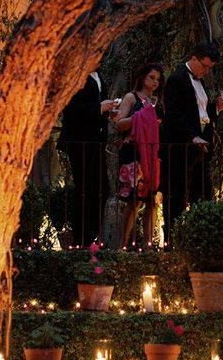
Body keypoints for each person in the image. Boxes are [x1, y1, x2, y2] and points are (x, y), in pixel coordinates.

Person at [159, 40, 223, 244]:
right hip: (179, 147)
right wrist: (192, 136)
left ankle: (202, 242)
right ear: (194, 58)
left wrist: (216, 109)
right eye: (205, 66)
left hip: (200, 146)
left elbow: (201, 115)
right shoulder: (176, 79)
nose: (207, 71)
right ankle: (172, 242)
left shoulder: (200, 81)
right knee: (176, 195)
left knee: (202, 195)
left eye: (211, 68)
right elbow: (174, 115)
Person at [57, 70, 118, 246]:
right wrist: (99, 107)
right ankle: (81, 239)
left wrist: (107, 112)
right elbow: (70, 108)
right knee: (85, 189)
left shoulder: (99, 76)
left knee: (102, 189)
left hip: (97, 142)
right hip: (80, 141)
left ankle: (91, 236)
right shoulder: (76, 74)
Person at [115, 62, 165, 247]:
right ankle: (123, 244)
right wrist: (140, 117)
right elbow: (119, 124)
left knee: (152, 199)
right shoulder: (132, 97)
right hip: (133, 153)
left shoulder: (158, 102)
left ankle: (147, 244)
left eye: (158, 80)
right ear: (143, 77)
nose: (154, 82)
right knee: (134, 200)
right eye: (152, 77)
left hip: (153, 153)